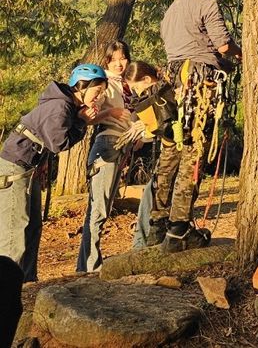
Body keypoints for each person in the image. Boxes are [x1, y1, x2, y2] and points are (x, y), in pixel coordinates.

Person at [156, 0, 242, 252]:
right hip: (198, 85)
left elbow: (193, 47)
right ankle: (179, 230)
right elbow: (222, 44)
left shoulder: (173, 8)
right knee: (194, 152)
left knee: (171, 151)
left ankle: (158, 222)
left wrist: (220, 62)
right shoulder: (207, 4)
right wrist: (242, 55)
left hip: (173, 83)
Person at [0, 64, 108, 281]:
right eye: (97, 91)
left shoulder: (67, 104)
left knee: (32, 227)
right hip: (15, 167)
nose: (99, 97)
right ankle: (7, 288)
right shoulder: (60, 106)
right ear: (82, 86)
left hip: (28, 167)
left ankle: (26, 284)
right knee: (14, 231)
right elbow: (59, 143)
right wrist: (82, 121)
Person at [76, 40, 133, 272]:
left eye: (123, 58)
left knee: (104, 208)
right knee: (98, 209)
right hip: (107, 144)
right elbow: (89, 113)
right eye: (114, 60)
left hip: (122, 145)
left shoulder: (127, 82)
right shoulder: (104, 83)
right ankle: (89, 266)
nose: (119, 64)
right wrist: (110, 112)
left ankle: (87, 264)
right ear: (107, 62)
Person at [120, 60, 178, 248]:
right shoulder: (151, 96)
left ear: (146, 79)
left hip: (177, 153)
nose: (136, 93)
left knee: (153, 194)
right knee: (151, 193)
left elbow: (169, 126)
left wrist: (148, 129)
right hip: (167, 153)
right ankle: (142, 242)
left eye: (136, 87)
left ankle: (141, 244)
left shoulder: (165, 92)